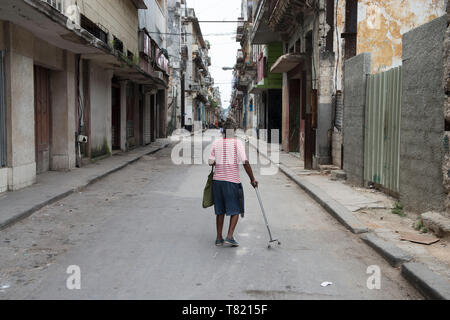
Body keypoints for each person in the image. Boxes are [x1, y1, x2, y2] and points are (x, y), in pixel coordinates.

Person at [208, 118, 258, 247]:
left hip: (217, 182)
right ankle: (229, 236)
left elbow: (210, 162)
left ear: (223, 131)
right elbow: (245, 162)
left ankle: (219, 238)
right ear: (234, 131)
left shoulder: (217, 143)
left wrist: (218, 159)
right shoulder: (237, 143)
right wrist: (252, 179)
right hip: (231, 181)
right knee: (235, 209)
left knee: (220, 210)